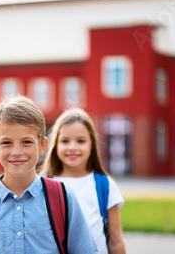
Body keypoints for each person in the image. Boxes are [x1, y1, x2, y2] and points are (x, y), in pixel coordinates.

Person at [0, 95, 97, 254]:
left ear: (42, 145)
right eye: (6, 143)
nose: (17, 152)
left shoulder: (63, 198)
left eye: (26, 142)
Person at [41, 108, 126, 254]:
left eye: (81, 141)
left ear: (92, 144)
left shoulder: (105, 184)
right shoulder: (41, 184)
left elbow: (115, 240)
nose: (73, 147)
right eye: (65, 141)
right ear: (55, 144)